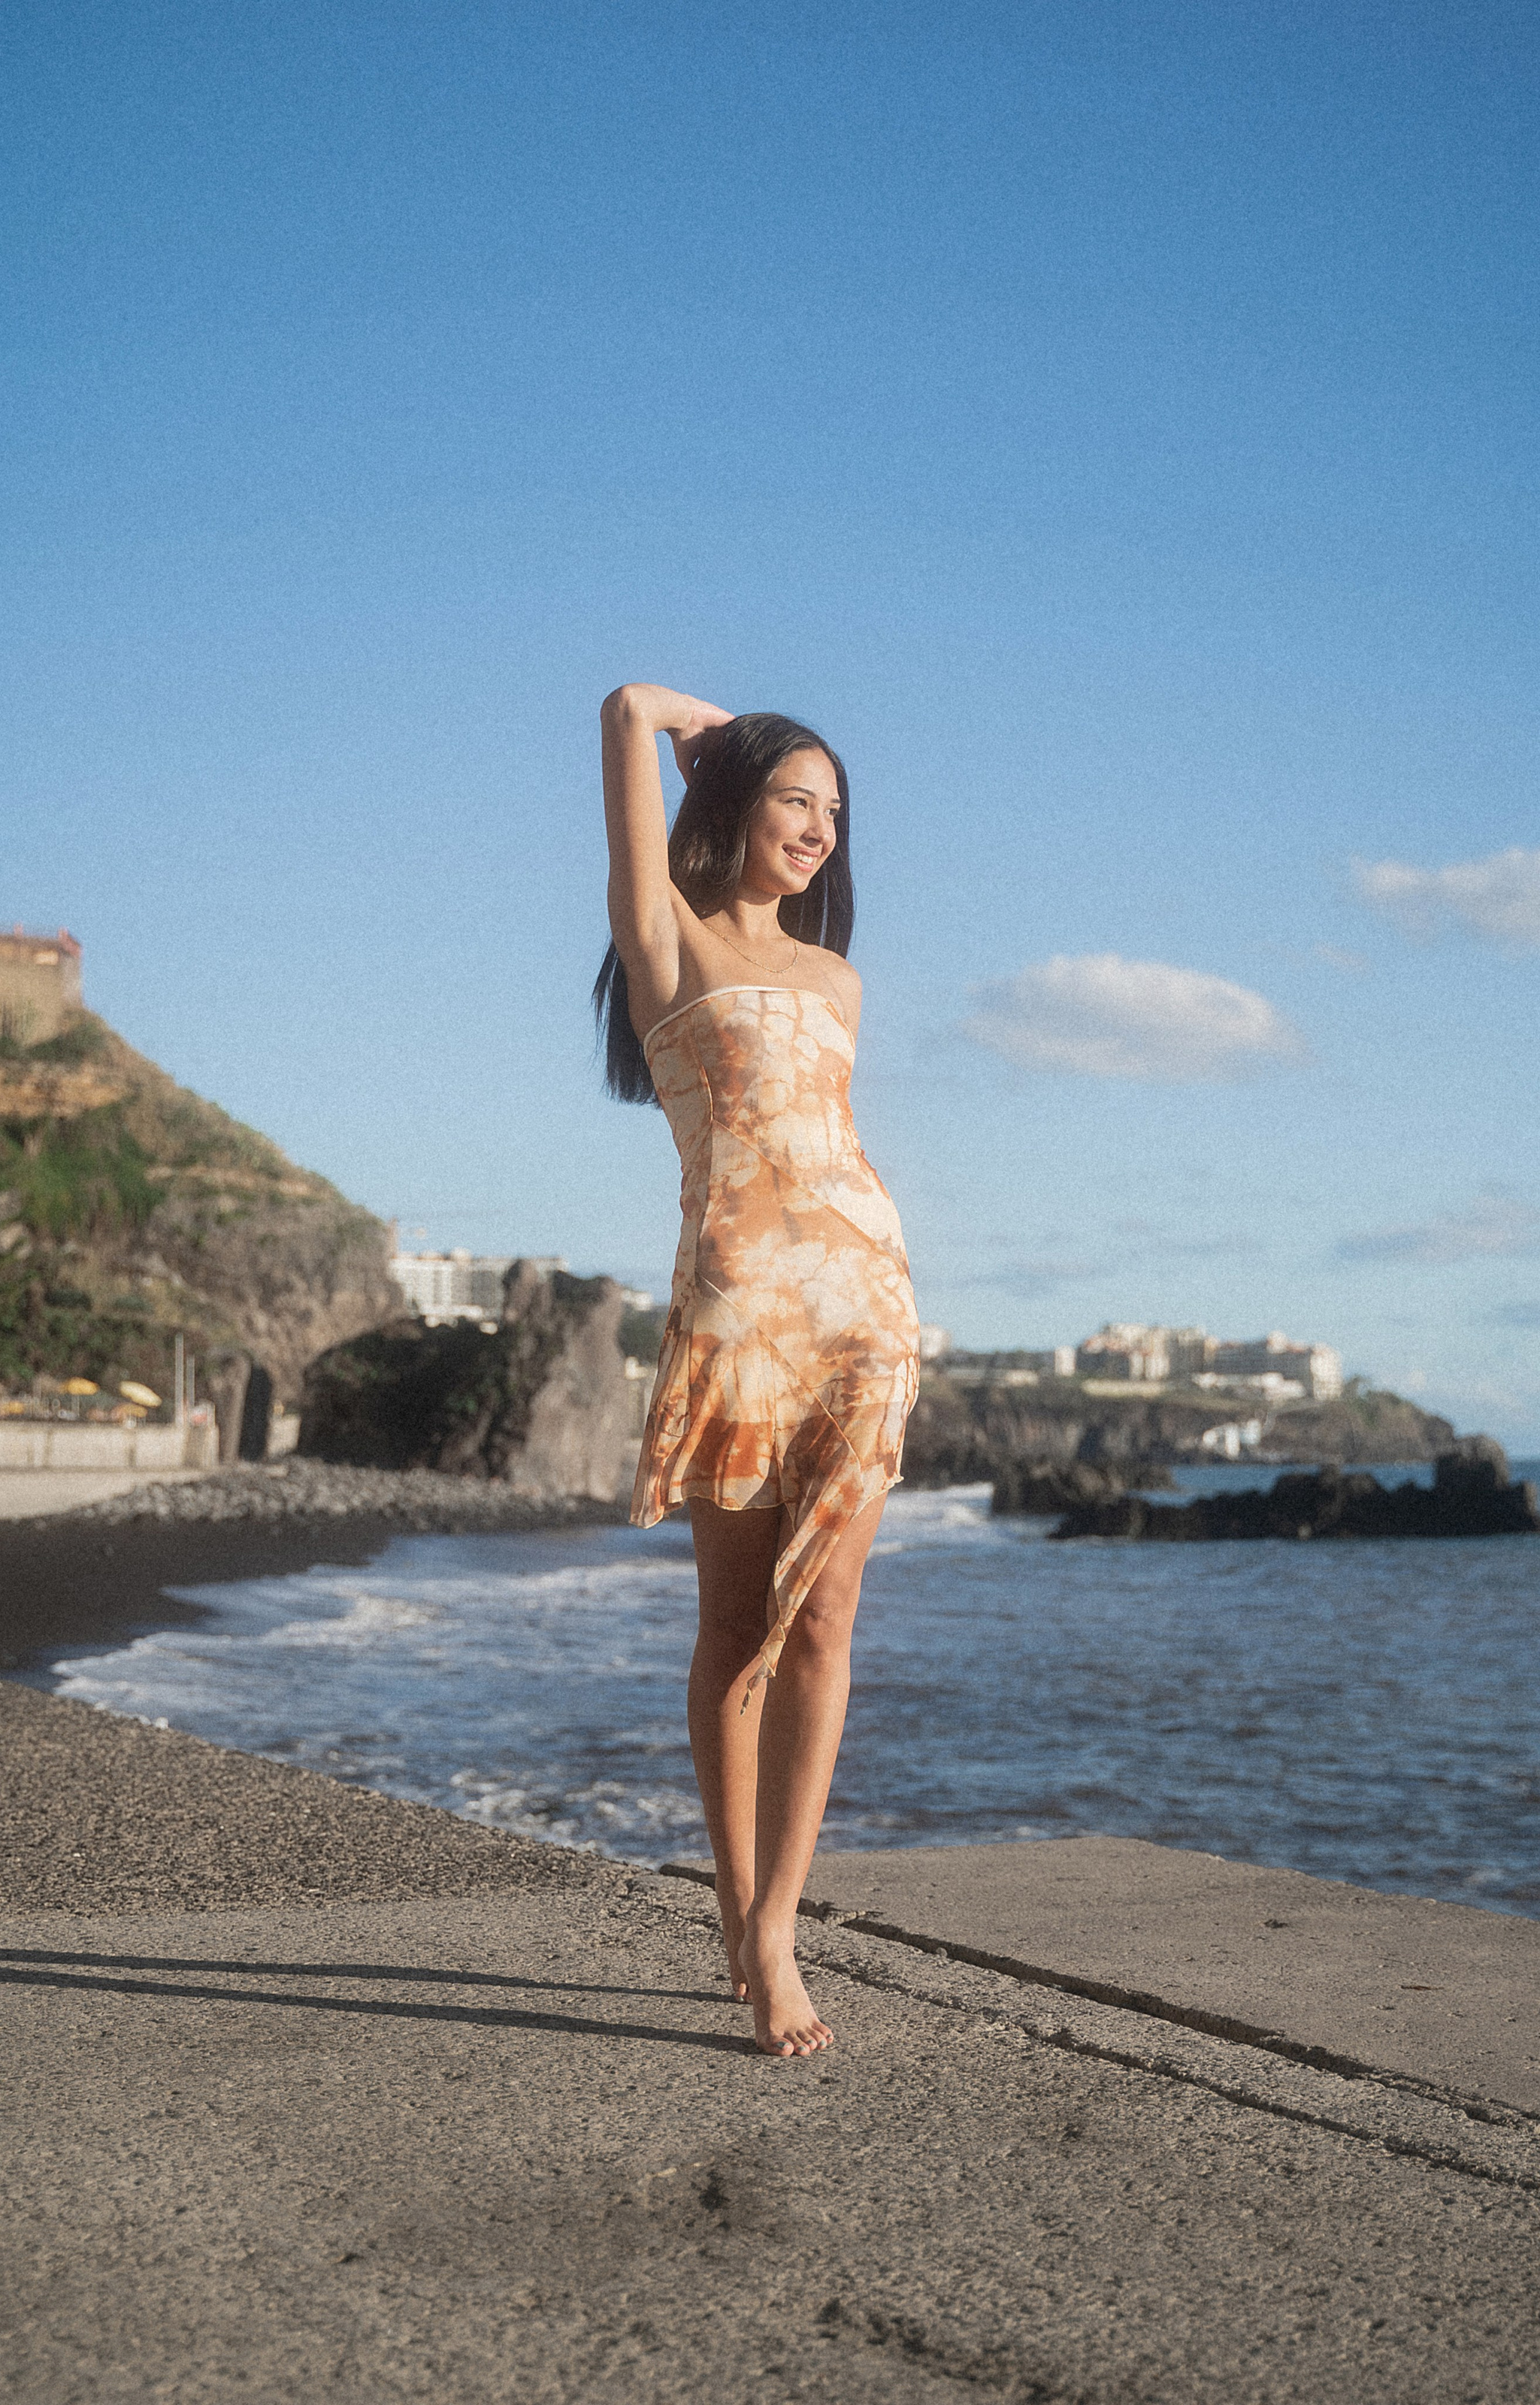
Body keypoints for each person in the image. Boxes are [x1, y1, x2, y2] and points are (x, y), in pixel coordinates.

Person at [595, 684, 919, 2058]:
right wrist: (684, 730)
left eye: (836, 813)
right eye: (798, 799)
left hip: (865, 1320)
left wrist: (753, 762)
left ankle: (779, 1924)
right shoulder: (669, 945)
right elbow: (621, 713)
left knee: (827, 1628)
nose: (821, 831)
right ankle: (735, 1911)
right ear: (733, 810)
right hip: (738, 1324)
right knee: (736, 1627)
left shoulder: (838, 980)